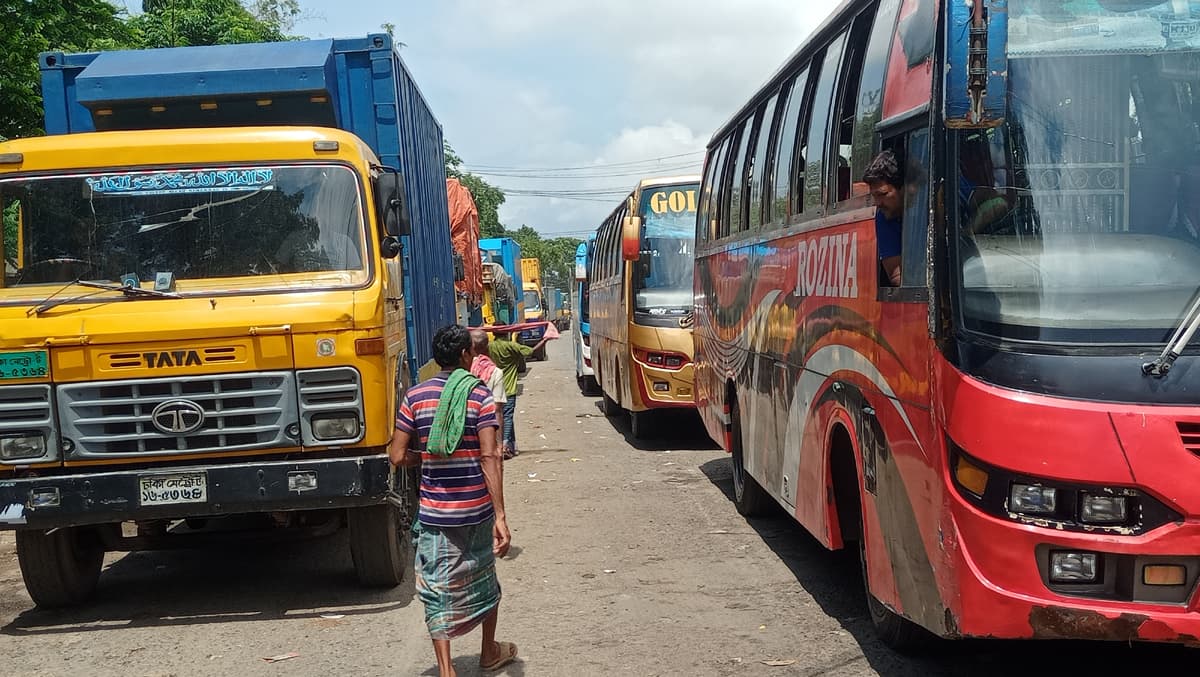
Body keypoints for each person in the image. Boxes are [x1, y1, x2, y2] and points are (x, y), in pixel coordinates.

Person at [389, 325, 517, 677]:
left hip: (435, 513)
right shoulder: (478, 395)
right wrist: (500, 515)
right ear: (464, 356)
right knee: (484, 579)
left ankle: (446, 670)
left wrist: (428, 457)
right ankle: (489, 651)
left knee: (437, 588)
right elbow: (489, 455)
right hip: (476, 510)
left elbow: (397, 455)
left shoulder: (415, 396)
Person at [488, 329, 550, 459]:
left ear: (493, 334)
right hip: (509, 387)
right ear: (506, 333)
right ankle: (505, 446)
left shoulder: (490, 347)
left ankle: (512, 446)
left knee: (500, 417)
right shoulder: (512, 346)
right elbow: (531, 351)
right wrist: (545, 340)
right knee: (507, 417)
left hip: (494, 387)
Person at [863, 150, 905, 287]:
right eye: (874, 196)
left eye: (883, 194)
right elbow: (897, 276)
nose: (877, 203)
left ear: (904, 189)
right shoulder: (884, 216)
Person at [469, 329, 506, 446]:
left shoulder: (463, 368)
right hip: (486, 430)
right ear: (486, 346)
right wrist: (499, 444)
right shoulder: (495, 372)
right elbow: (497, 410)